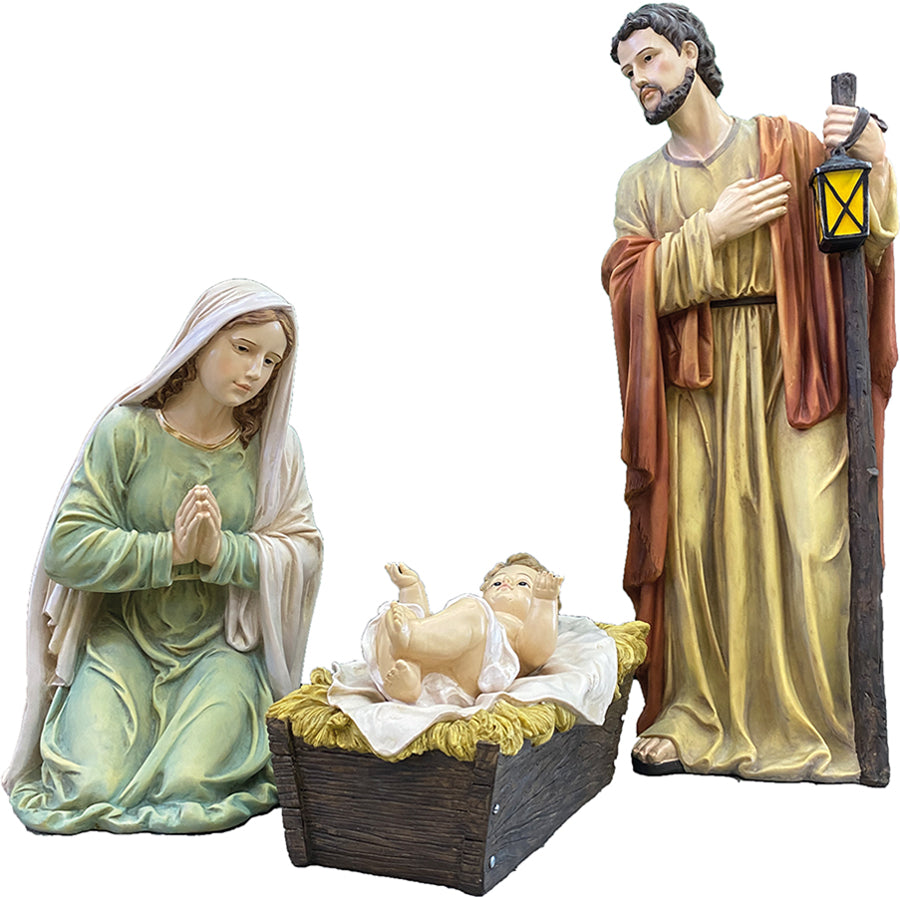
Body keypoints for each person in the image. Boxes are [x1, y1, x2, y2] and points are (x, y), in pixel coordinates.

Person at [602, 4, 896, 781]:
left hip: (795, 362)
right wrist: (713, 229)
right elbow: (626, 287)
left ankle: (826, 720)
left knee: (814, 544)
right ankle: (694, 712)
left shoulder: (785, 144)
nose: (639, 80)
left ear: (689, 53)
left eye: (649, 59)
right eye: (628, 71)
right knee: (697, 546)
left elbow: (863, 238)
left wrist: (876, 159)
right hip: (696, 386)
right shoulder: (641, 184)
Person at [4, 279, 323, 832]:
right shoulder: (126, 431)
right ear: (200, 342)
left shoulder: (272, 449)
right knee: (89, 785)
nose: (255, 372)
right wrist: (170, 551)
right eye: (243, 348)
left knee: (191, 785)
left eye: (271, 361)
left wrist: (222, 551)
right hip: (122, 638)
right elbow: (66, 547)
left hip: (218, 649)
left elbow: (303, 551)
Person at [364, 553, 561, 705]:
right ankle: (407, 681)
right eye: (497, 582)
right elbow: (425, 620)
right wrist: (411, 588)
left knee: (473, 610)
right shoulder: (458, 619)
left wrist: (545, 602)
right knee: (391, 617)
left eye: (522, 583)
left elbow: (538, 651)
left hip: (472, 674)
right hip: (432, 668)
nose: (506, 584)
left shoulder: (514, 626)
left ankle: (410, 640)